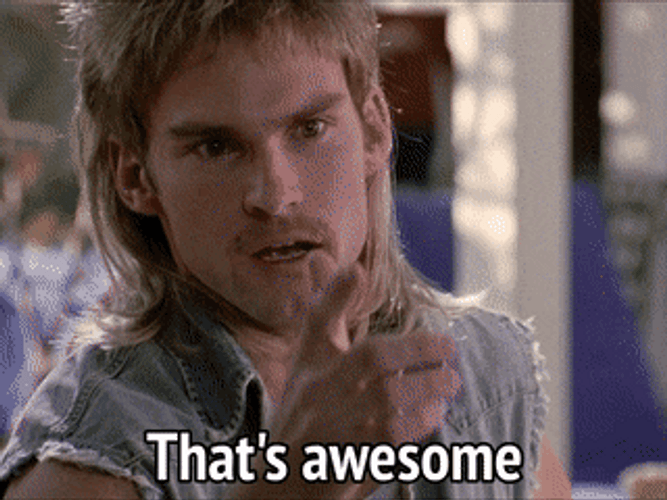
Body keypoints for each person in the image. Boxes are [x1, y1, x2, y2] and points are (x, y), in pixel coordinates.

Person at [0, 1, 571, 498]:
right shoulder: (94, 455)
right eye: (216, 147)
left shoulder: (485, 379)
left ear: (374, 130)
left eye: (310, 129)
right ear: (135, 176)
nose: (275, 197)